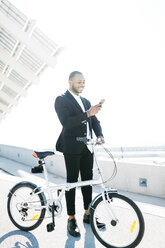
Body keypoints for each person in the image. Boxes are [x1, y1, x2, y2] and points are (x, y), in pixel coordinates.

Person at [54, 71, 104, 237]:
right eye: (79, 82)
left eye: (84, 82)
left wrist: (100, 135)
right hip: (71, 147)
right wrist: (88, 113)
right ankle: (71, 219)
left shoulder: (86, 101)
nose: (82, 84)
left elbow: (94, 121)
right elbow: (67, 122)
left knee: (87, 182)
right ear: (70, 82)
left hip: (87, 147)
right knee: (71, 183)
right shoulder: (61, 99)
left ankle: (88, 215)